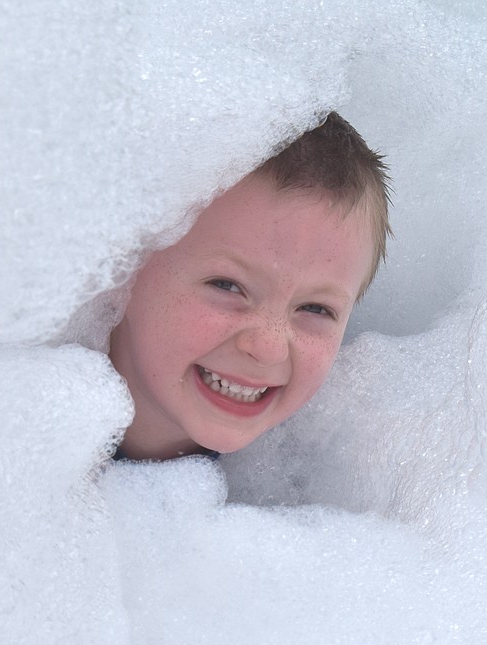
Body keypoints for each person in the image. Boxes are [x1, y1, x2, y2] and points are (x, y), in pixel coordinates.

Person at [108, 112, 391, 460]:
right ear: (124, 265)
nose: (268, 348)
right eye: (227, 286)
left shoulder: (312, 468)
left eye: (315, 308)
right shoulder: (44, 428)